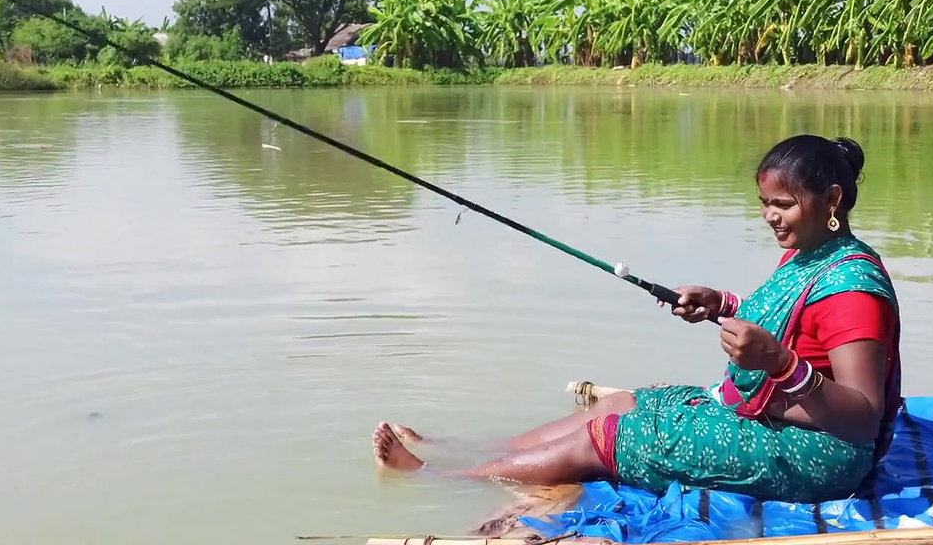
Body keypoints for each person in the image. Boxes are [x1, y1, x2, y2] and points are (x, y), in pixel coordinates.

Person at [372, 134, 901, 504]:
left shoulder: (853, 290)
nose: (769, 216)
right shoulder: (808, 252)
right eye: (764, 202)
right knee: (623, 401)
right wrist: (720, 304)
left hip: (817, 456)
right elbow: (789, 316)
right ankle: (462, 450)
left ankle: (444, 478)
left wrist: (780, 364)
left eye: (781, 204)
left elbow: (862, 417)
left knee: (607, 436)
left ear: (830, 199)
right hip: (770, 416)